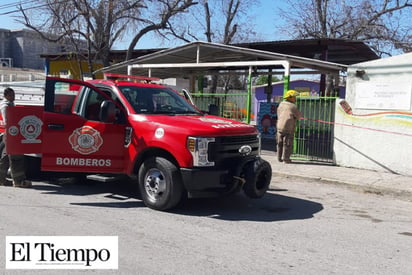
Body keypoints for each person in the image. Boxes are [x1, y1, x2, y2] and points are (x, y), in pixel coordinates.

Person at [0, 87, 32, 187]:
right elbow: (7, 121)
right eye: (11, 95)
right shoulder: (6, 106)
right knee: (16, 157)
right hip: (11, 134)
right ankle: (18, 181)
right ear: (5, 95)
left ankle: (1, 179)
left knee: (5, 158)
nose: (13, 97)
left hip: (9, 134)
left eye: (14, 95)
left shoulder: (10, 104)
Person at [276, 89, 301, 164]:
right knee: (287, 143)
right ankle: (286, 159)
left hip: (279, 126)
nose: (295, 98)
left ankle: (279, 158)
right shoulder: (293, 106)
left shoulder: (281, 104)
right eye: (294, 97)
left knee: (279, 143)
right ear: (290, 97)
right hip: (288, 127)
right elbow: (298, 116)